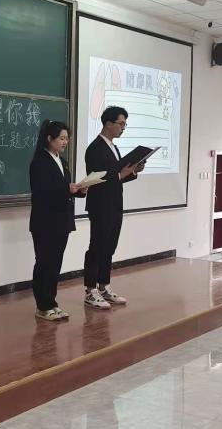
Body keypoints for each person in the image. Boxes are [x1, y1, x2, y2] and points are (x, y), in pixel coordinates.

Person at [83, 106, 145, 310]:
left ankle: (104, 286)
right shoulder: (95, 148)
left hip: (115, 204)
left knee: (109, 247)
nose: (123, 128)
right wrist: (120, 174)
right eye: (121, 124)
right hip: (100, 205)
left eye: (125, 124)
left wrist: (132, 171)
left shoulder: (113, 147)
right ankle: (90, 290)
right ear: (108, 123)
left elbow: (117, 176)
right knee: (97, 247)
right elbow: (97, 178)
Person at [29, 119, 85, 321]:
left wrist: (79, 190)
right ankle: (43, 306)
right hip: (45, 221)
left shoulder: (62, 161)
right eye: (61, 138)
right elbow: (42, 192)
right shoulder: (39, 162)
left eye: (67, 139)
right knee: (44, 263)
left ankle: (52, 303)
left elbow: (63, 189)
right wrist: (66, 189)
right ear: (49, 138)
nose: (65, 142)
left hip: (62, 220)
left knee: (55, 264)